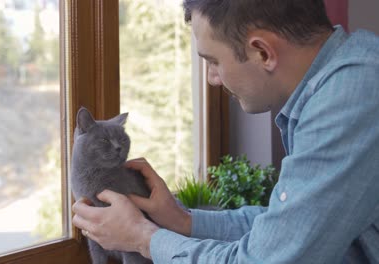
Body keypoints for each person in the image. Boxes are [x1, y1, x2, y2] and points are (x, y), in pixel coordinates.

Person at [72, 0, 379, 263]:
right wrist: (183, 221)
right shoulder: (348, 76)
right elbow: (286, 228)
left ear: (262, 52)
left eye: (214, 61)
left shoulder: (350, 99)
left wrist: (143, 238)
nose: (212, 79)